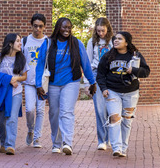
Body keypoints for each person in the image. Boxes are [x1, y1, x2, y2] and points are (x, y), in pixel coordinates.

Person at [36, 17, 96, 155]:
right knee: (54, 113)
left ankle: (67, 143)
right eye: (64, 27)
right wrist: (38, 84)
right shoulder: (48, 43)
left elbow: (85, 64)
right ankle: (56, 143)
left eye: (69, 27)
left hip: (71, 82)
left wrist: (92, 82)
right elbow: (40, 66)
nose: (67, 30)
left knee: (66, 112)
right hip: (52, 84)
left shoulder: (76, 43)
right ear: (58, 27)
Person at [96, 31, 150, 158]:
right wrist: (103, 88)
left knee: (126, 121)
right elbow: (100, 74)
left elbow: (146, 71)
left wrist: (134, 70)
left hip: (131, 92)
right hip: (113, 91)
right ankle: (116, 147)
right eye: (115, 39)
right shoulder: (108, 56)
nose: (116, 41)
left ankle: (123, 147)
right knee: (114, 118)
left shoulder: (135, 55)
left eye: (119, 39)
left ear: (127, 42)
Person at [0, 33, 28, 155]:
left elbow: (24, 76)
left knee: (12, 118)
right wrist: (9, 79)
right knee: (1, 120)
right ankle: (3, 143)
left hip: (16, 92)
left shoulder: (21, 58)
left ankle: (10, 145)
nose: (20, 43)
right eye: (17, 41)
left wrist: (15, 79)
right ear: (10, 43)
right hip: (2, 93)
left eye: (20, 41)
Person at [86, 17, 114, 151]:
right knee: (100, 109)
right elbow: (88, 62)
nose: (100, 33)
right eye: (98, 31)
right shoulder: (92, 42)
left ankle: (111, 138)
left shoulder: (113, 41)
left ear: (107, 29)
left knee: (111, 108)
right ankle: (102, 140)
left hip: (111, 74)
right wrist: (88, 82)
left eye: (103, 31)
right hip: (97, 74)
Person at [22, 14, 49, 148]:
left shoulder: (48, 42)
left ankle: (38, 138)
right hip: (28, 81)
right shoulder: (25, 41)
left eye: (40, 26)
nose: (37, 29)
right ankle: (30, 130)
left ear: (44, 27)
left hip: (42, 82)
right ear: (31, 26)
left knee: (40, 110)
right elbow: (20, 59)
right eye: (35, 26)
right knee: (29, 109)